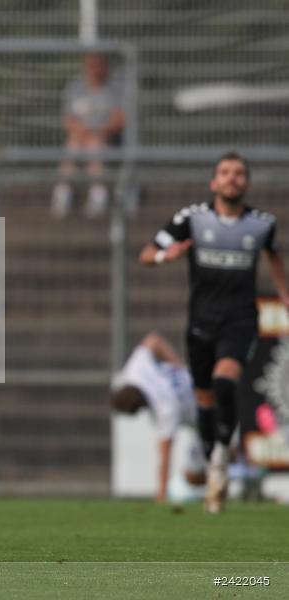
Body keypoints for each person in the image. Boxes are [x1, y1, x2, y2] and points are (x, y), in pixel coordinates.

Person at [139, 152, 289, 513]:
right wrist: (165, 256)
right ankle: (215, 467)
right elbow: (147, 253)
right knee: (205, 400)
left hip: (239, 321)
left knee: (225, 383)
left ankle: (222, 454)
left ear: (247, 183)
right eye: (225, 173)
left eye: (239, 174)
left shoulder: (261, 225)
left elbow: (275, 262)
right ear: (213, 182)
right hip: (200, 324)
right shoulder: (192, 219)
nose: (232, 179)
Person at [110, 332, 207, 503]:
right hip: (200, 386)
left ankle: (234, 470)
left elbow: (165, 454)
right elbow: (154, 340)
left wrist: (161, 493)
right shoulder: (135, 369)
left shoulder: (164, 407)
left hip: (206, 418)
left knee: (194, 477)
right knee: (209, 465)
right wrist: (178, 365)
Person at [51, 53, 125, 219]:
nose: (94, 70)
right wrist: (82, 131)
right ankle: (63, 193)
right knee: (73, 144)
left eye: (98, 66)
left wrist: (98, 131)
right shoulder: (76, 88)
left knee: (95, 144)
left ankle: (98, 194)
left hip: (106, 139)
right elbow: (68, 121)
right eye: (91, 66)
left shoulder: (114, 89)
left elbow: (119, 119)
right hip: (80, 137)